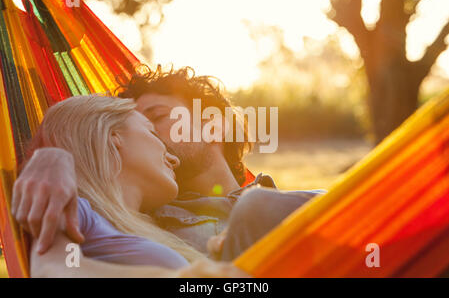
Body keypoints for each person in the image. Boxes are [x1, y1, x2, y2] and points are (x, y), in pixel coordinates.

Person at [13, 66, 324, 262]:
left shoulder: (282, 202)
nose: (152, 136)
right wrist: (54, 157)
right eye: (140, 126)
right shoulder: (143, 223)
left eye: (157, 117)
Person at [22, 95, 246, 277]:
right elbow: (54, 269)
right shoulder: (77, 210)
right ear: (113, 137)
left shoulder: (155, 228)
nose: (174, 159)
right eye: (151, 132)